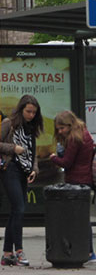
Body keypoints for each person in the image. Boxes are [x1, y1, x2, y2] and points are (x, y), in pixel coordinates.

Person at [0, 94, 43, 267]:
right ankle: (19, 250)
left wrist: (34, 169)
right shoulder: (8, 124)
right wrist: (13, 148)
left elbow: (33, 152)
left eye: (34, 112)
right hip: (10, 168)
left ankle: (7, 253)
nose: (31, 115)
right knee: (19, 208)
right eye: (28, 111)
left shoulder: (31, 128)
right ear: (21, 109)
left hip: (24, 170)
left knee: (16, 210)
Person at [49, 110, 95, 262]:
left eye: (62, 128)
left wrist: (54, 158)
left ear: (70, 124)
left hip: (76, 180)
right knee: (83, 218)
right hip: (85, 180)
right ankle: (89, 251)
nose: (60, 131)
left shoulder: (74, 139)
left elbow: (67, 163)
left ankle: (85, 251)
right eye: (58, 129)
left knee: (76, 220)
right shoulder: (84, 132)